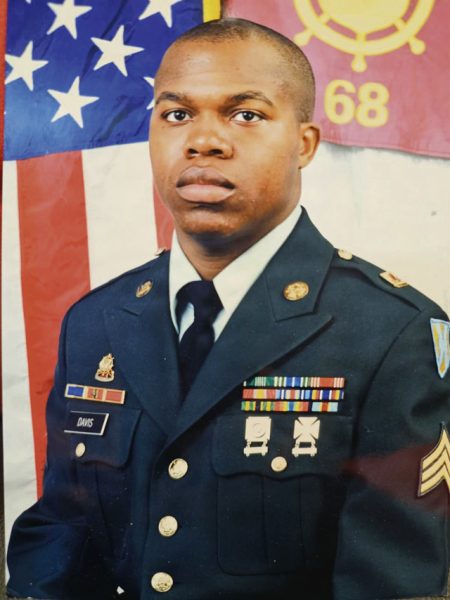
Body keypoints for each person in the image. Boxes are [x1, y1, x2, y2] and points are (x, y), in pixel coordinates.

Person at [6, 17, 450, 600]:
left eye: (245, 114)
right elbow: (60, 536)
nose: (204, 141)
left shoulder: (392, 332)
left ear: (304, 144)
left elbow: (391, 582)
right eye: (176, 114)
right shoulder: (96, 322)